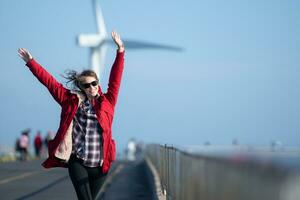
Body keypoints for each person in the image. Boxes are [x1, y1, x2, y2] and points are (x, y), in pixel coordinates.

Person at [18, 31, 125, 200]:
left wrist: (120, 51)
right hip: (78, 161)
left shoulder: (108, 102)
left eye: (94, 83)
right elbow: (50, 83)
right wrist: (31, 63)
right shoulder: (71, 100)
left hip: (100, 164)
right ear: (82, 87)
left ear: (98, 83)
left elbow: (116, 79)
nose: (91, 87)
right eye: (87, 85)